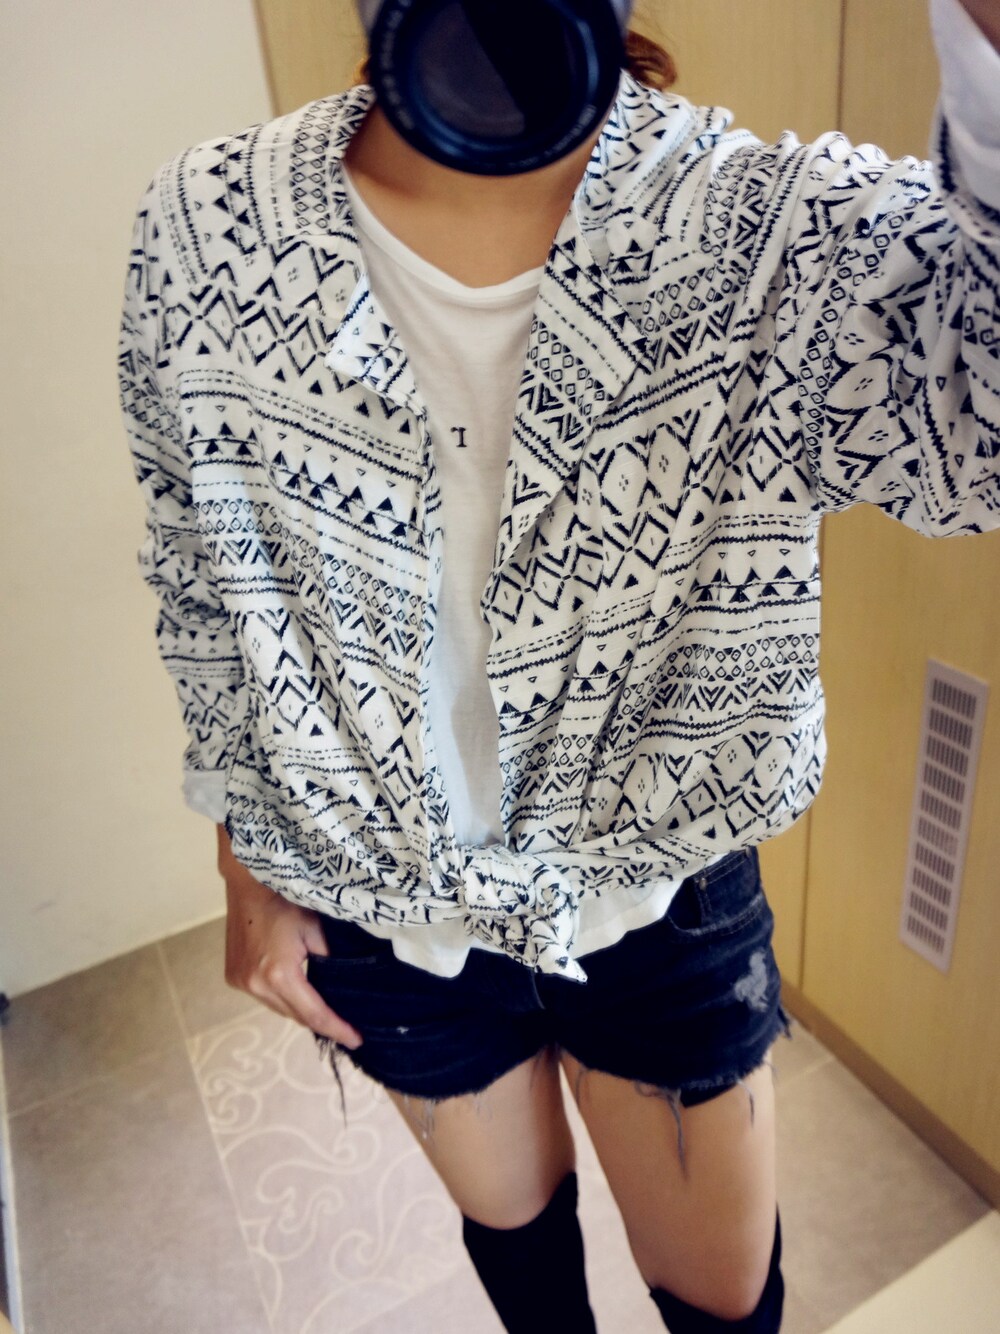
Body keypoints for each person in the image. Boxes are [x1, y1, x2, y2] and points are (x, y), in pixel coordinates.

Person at [118, 0, 1000, 1329]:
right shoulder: (206, 226)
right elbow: (199, 568)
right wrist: (245, 850)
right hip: (374, 902)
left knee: (724, 1300)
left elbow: (979, 417)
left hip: (661, 891)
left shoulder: (759, 234)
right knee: (524, 1261)